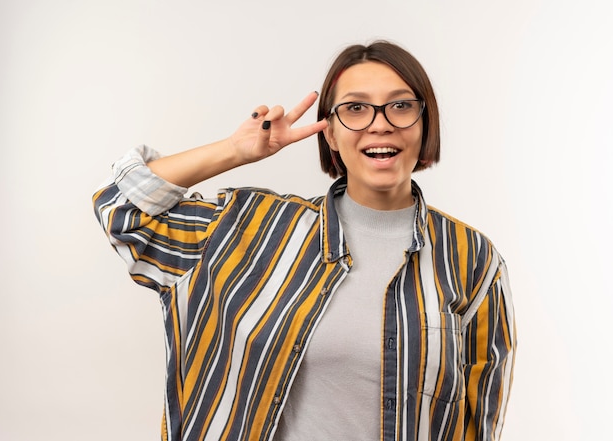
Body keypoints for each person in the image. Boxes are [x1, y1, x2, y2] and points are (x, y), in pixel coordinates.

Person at [93, 40, 516, 441]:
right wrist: (235, 151)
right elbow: (121, 209)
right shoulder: (250, 228)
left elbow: (478, 423)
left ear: (425, 125)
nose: (380, 124)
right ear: (329, 133)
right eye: (355, 109)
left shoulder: (473, 259)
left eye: (401, 106)